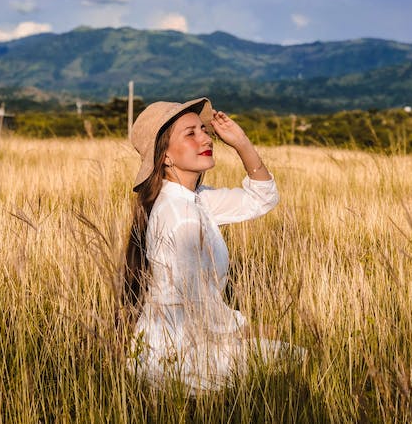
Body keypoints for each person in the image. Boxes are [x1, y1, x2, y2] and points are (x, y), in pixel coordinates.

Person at [122, 97, 303, 393]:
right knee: (293, 361)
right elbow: (198, 307)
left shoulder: (196, 199)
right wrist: (247, 329)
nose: (206, 138)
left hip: (191, 340)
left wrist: (242, 143)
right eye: (190, 134)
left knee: (285, 358)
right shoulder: (180, 215)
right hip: (175, 357)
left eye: (203, 130)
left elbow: (263, 198)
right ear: (164, 156)